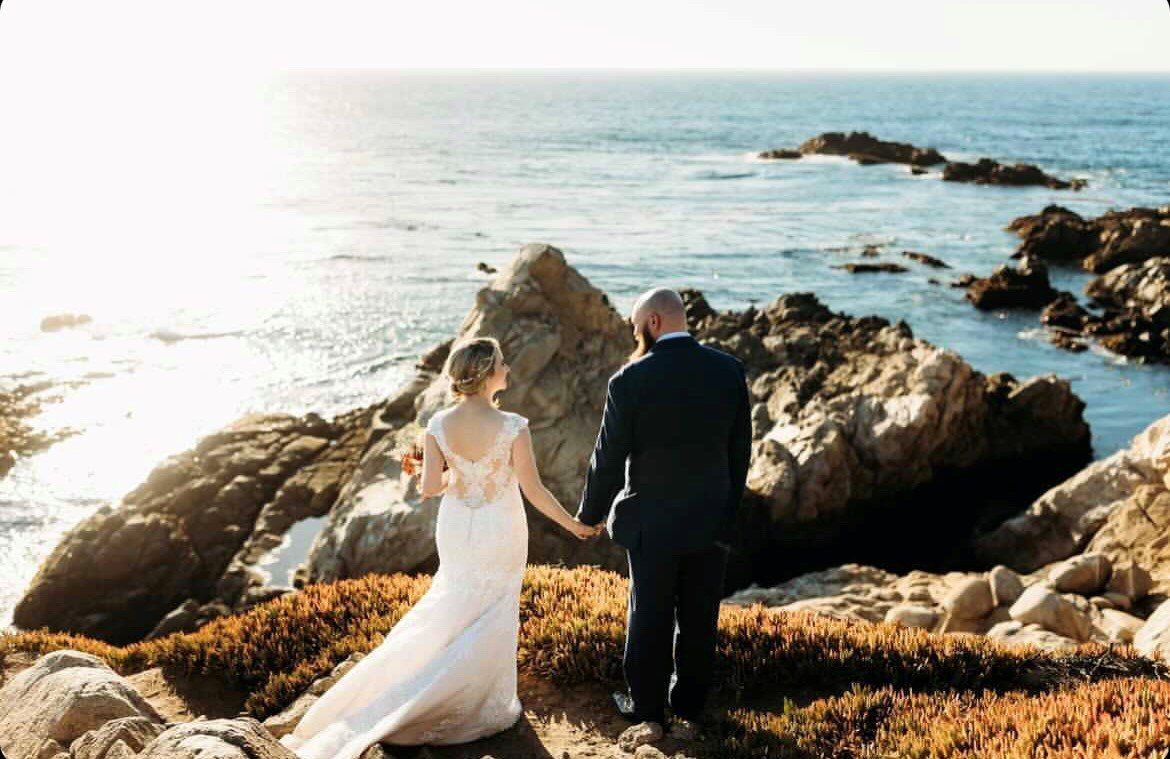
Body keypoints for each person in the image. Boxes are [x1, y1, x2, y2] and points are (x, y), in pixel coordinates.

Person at [281, 336, 599, 759]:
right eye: (502, 364)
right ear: (487, 374)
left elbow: (430, 487)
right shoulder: (513, 427)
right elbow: (533, 490)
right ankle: (475, 702)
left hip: (457, 525)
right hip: (499, 526)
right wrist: (573, 524)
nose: (507, 369)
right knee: (494, 605)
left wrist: (451, 475)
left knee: (451, 600)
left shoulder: (437, 425)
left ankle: (407, 684)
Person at [576, 287, 751, 738]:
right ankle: (690, 711)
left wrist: (590, 515)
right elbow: (740, 456)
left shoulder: (629, 380)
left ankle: (648, 711)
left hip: (651, 523)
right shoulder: (728, 371)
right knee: (699, 619)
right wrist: (727, 518)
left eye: (637, 326)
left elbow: (608, 459)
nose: (636, 334)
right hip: (711, 519)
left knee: (649, 615)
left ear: (653, 322)